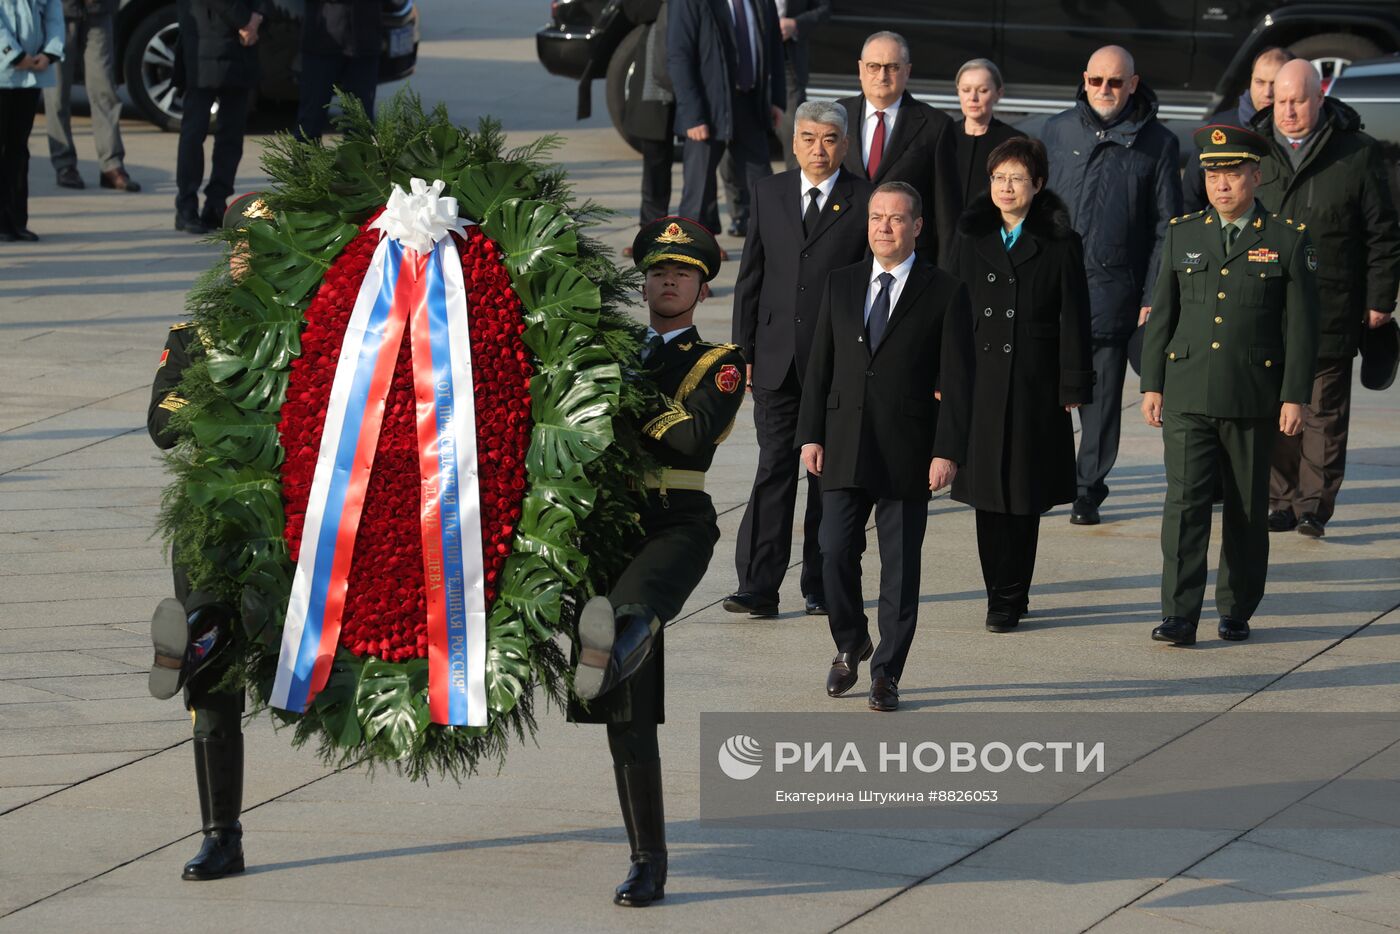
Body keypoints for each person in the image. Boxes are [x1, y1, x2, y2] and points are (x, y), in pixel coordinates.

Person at [569, 217, 745, 906]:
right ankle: (648, 859)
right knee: (626, 711)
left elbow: (692, 434)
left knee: (630, 614)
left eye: (682, 273)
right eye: (657, 271)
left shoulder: (719, 360)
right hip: (603, 527)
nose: (668, 281)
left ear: (702, 287)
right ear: (642, 280)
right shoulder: (605, 348)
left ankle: (609, 639)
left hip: (674, 523)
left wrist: (618, 384)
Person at [797, 181, 974, 711]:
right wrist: (810, 432)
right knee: (832, 552)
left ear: (917, 226)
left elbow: (960, 380)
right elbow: (820, 366)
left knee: (899, 568)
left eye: (896, 219)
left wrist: (948, 449)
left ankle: (887, 673)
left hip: (908, 447)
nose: (885, 227)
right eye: (877, 218)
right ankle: (851, 642)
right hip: (844, 442)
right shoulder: (842, 283)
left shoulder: (944, 290)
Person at [1140, 125, 1319, 646]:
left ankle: (1237, 607)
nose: (1221, 184)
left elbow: (1301, 326)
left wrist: (1293, 394)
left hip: (1251, 395)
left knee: (1244, 509)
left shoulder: (1286, 238)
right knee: (1185, 504)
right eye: (1213, 174)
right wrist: (1152, 383)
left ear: (1255, 176)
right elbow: (1163, 315)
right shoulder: (1183, 232)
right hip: (1188, 390)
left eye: (1232, 174)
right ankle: (1179, 613)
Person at [147, 192, 271, 880]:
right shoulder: (196, 334)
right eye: (245, 247)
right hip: (204, 515)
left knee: (224, 627)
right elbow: (164, 428)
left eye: (269, 250)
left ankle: (201, 631)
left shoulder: (318, 335)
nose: (253, 259)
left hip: (274, 520)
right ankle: (221, 834)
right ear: (230, 254)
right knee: (211, 680)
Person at [726, 100, 873, 619]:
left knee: (825, 475)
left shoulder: (865, 199)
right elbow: (752, 276)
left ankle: (819, 583)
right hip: (774, 360)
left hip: (834, 365)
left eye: (830, 138)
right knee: (773, 469)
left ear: (846, 145)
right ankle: (758, 585)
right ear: (793, 143)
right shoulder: (770, 192)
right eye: (809, 138)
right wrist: (742, 350)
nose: (819, 148)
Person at [1251, 59, 1400, 538]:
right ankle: (1280, 499)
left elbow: (1383, 233)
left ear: (1320, 99)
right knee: (1275, 407)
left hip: (1331, 304)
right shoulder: (1253, 150)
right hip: (1265, 306)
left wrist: (1381, 298)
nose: (1288, 111)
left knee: (1323, 413)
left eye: (1299, 100)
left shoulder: (1356, 153)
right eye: (1281, 100)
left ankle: (1314, 506)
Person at [948, 136, 1092, 633]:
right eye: (998, 178)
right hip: (980, 383)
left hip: (1034, 383)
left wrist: (1073, 383)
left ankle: (1014, 593)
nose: (1006, 188)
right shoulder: (969, 237)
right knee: (988, 495)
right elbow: (950, 310)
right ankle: (997, 597)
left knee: (1024, 495)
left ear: (1038, 184)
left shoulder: (1060, 241)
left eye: (1016, 178)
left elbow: (1075, 316)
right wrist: (944, 373)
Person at [1042, 44, 1181, 526]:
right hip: (1052, 288)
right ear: (1084, 79)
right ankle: (1046, 475)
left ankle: (1087, 488)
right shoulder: (1057, 130)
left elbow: (1168, 226)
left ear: (1134, 84)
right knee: (1044, 391)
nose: (1105, 90)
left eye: (1116, 82)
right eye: (1097, 80)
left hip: (1113, 290)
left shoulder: (1158, 143)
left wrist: (1151, 295)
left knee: (1099, 403)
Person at [837, 31, 961, 265]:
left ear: (907, 71)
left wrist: (944, 275)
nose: (882, 75)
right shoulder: (837, 115)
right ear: (861, 69)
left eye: (892, 67)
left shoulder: (935, 126)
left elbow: (947, 213)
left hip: (908, 260)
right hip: (843, 257)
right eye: (874, 66)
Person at [668, 0, 784, 237]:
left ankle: (775, 248)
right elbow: (679, 56)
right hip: (707, 110)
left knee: (764, 186)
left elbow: (774, 49)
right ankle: (689, 258)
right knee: (697, 193)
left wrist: (776, 100)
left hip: (750, 103)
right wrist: (692, 115)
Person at [174, 0, 265, 234]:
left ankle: (216, 203)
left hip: (242, 43)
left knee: (232, 132)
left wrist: (257, 17)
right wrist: (246, 20)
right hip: (204, 38)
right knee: (194, 131)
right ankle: (186, 206)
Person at [1182, 47, 1293, 214]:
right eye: (1259, 82)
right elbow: (1191, 195)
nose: (1267, 93)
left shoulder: (1299, 132)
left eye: (1274, 84)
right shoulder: (1221, 127)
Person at [44, 0, 139, 191]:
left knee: (104, 90)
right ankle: (64, 164)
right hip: (60, 11)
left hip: (99, 9)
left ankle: (111, 165)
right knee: (57, 94)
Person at [0, 0, 63, 242]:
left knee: (18, 147)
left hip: (32, 72)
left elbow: (53, 14)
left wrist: (50, 52)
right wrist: (14, 55)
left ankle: (17, 218)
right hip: (5, 70)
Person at [620, 0, 675, 246]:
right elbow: (634, 10)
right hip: (657, 70)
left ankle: (705, 232)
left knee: (707, 155)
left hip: (703, 64)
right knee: (655, 153)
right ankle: (651, 231)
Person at [295, 0, 379, 142]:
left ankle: (356, 163)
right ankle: (304, 163)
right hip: (321, 42)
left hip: (364, 42)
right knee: (311, 120)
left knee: (360, 124)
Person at [952, 58, 1024, 205]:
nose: (973, 98)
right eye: (966, 90)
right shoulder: (944, 135)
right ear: (958, 91)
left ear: (999, 93)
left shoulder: (1013, 141)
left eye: (983, 90)